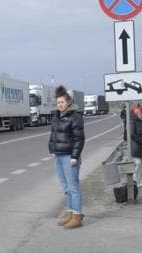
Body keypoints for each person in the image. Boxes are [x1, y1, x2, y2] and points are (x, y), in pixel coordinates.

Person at [48, 85, 86, 228]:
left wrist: (75, 156)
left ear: (68, 102)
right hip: (59, 156)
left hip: (70, 157)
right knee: (66, 187)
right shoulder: (56, 117)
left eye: (62, 102)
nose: (60, 105)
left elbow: (79, 139)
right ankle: (70, 213)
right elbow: (54, 135)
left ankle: (77, 216)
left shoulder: (75, 117)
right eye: (58, 103)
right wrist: (52, 148)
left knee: (73, 187)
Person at [130, 106, 142, 187]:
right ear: (137, 113)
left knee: (140, 164)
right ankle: (135, 181)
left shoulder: (140, 121)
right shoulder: (133, 121)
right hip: (137, 146)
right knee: (138, 164)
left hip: (141, 146)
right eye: (141, 113)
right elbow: (132, 134)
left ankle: (138, 181)